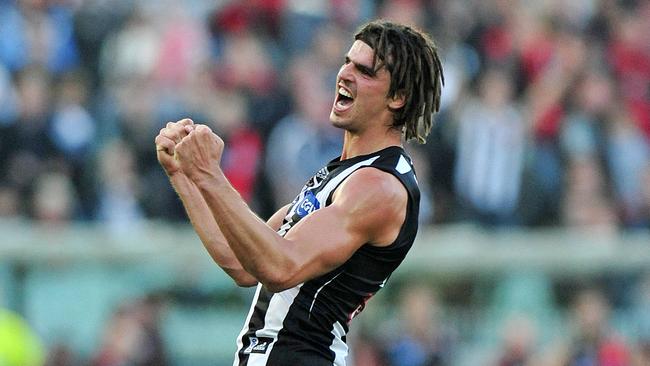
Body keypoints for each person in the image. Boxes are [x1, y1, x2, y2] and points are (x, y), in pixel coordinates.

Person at [154, 20, 444, 366]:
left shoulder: (379, 186)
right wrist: (185, 175)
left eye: (364, 71)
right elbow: (243, 263)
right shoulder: (344, 173)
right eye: (347, 62)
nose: (345, 74)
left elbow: (280, 267)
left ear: (398, 98)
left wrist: (210, 175)